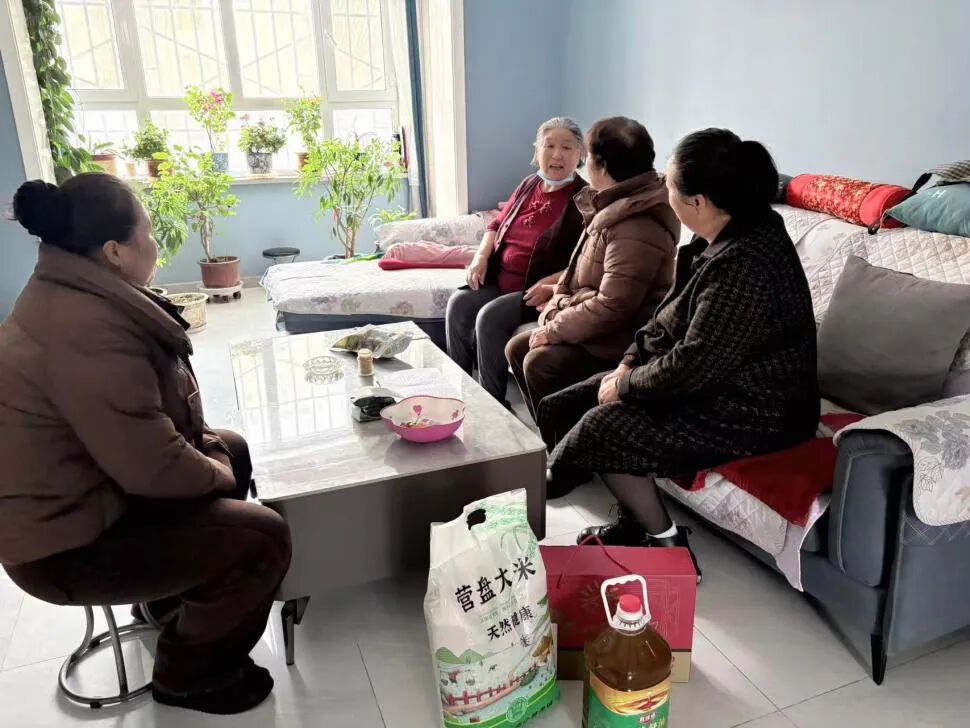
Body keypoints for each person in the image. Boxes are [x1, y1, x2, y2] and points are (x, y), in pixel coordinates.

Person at [0, 174, 291, 715]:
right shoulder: (86, 329)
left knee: (233, 447)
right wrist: (218, 470)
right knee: (262, 538)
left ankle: (166, 602)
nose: (157, 245)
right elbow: (153, 466)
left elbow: (144, 435)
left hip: (92, 499)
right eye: (150, 233)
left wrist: (215, 455)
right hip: (64, 547)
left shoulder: (69, 291)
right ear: (114, 251)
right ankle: (190, 675)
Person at [537, 129, 820, 579]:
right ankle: (629, 519)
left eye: (668, 185)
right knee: (565, 403)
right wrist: (629, 362)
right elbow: (665, 320)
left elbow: (694, 364)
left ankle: (668, 545)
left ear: (699, 202)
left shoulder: (746, 263)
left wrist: (627, 385)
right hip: (717, 381)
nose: (663, 192)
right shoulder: (719, 236)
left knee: (603, 426)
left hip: (758, 409)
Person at [506, 117, 679, 421]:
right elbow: (573, 274)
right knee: (517, 348)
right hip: (592, 324)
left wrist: (555, 326)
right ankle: (552, 436)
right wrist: (557, 305)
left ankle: (569, 443)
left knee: (539, 362)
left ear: (602, 167)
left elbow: (614, 305)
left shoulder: (637, 223)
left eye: (586, 156)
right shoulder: (610, 204)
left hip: (618, 338)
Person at [446, 117, 587, 403]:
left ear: (580, 154)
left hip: (533, 290)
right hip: (500, 278)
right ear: (537, 150)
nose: (557, 155)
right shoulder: (529, 184)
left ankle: (493, 404)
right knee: (458, 303)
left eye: (567, 147)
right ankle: (459, 393)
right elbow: (495, 224)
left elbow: (587, 259)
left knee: (489, 317)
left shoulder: (584, 198)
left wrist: (552, 283)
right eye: (549, 145)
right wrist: (481, 257)